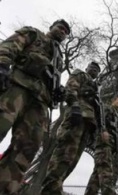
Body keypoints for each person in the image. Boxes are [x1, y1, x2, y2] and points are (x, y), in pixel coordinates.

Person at [0, 19, 70, 194]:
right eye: (60, 28)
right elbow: (11, 45)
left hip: (40, 102)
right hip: (18, 86)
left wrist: (59, 91)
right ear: (51, 27)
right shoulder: (34, 34)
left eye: (66, 32)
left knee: (27, 149)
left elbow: (53, 79)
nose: (62, 32)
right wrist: (2, 64)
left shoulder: (58, 59)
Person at [41, 61, 101, 195]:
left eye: (97, 70)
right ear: (87, 68)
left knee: (72, 161)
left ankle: (55, 187)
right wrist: (74, 106)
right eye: (92, 68)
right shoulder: (80, 74)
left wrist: (94, 129)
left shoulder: (96, 88)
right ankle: (49, 189)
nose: (95, 71)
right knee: (64, 155)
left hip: (87, 124)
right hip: (76, 118)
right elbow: (70, 88)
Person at [84, 95, 118, 195]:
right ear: (113, 100)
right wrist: (103, 131)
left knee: (97, 176)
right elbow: (98, 121)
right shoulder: (106, 109)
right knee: (105, 170)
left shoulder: (115, 115)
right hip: (103, 142)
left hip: (109, 144)